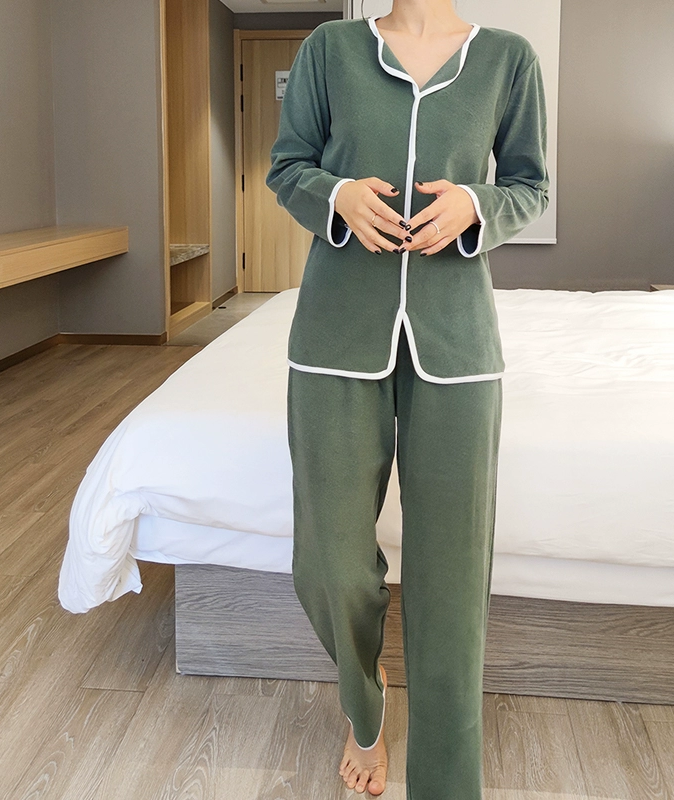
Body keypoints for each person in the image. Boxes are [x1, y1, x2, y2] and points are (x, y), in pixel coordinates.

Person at [266, 1, 549, 796]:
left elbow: (529, 184)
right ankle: (366, 704)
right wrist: (335, 196)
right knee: (328, 561)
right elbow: (287, 166)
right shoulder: (330, 50)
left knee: (453, 578)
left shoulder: (508, 58)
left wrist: (477, 205)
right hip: (335, 334)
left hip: (456, 343)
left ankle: (447, 782)